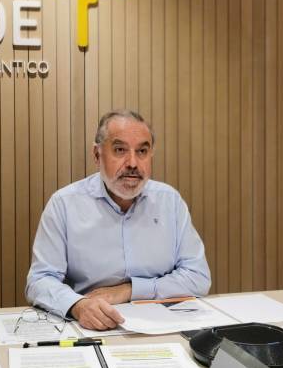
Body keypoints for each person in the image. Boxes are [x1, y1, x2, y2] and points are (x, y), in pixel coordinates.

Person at [25, 109, 211, 330]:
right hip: (91, 326)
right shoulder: (64, 204)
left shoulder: (169, 201)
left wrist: (130, 290)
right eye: (120, 150)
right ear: (97, 155)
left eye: (142, 151)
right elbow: (40, 281)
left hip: (164, 325)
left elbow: (198, 277)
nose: (132, 163)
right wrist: (78, 305)